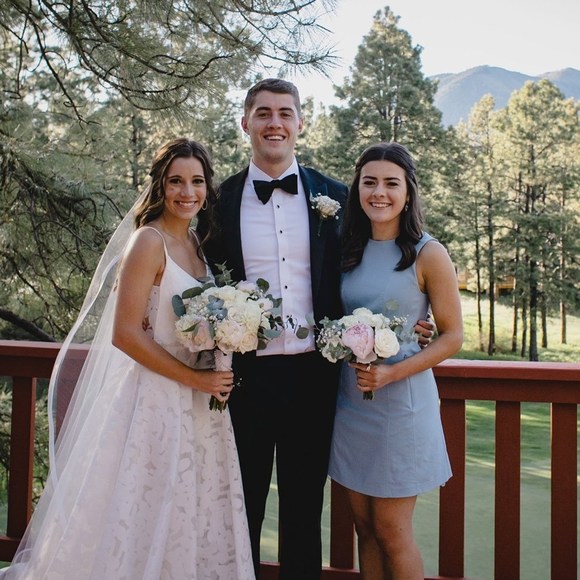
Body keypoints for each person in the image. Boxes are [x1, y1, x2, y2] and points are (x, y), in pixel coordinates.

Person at [198, 78, 434, 579]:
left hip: (316, 379)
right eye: (264, 113)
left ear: (301, 123)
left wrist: (418, 317)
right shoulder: (216, 202)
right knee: (240, 509)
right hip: (243, 381)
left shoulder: (337, 197)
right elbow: (196, 279)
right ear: (245, 123)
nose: (275, 123)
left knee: (304, 514)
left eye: (285, 113)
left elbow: (380, 264)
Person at [0, 138, 255, 579]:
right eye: (176, 181)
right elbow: (124, 333)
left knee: (187, 512)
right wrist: (194, 379)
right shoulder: (148, 241)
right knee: (140, 508)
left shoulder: (196, 243)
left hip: (198, 405)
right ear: (160, 185)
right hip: (152, 400)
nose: (187, 192)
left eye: (197, 181)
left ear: (207, 188)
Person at [328, 142, 464, 579]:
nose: (379, 192)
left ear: (408, 192)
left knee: (391, 529)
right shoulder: (345, 249)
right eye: (369, 182)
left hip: (402, 404)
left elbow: (453, 336)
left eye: (391, 183)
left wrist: (392, 372)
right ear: (357, 189)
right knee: (364, 528)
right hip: (352, 404)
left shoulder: (428, 253)